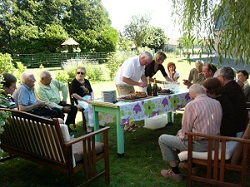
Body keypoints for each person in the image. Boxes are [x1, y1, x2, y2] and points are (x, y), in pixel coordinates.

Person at [158, 84, 222, 181]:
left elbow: (185, 133)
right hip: (215, 142)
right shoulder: (217, 103)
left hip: (200, 145)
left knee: (163, 139)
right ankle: (192, 166)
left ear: (192, 95)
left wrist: (180, 134)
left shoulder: (192, 105)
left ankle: (175, 173)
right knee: (181, 134)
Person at [115, 51, 153, 132]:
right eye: (146, 62)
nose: (147, 64)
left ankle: (131, 123)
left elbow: (142, 74)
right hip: (122, 84)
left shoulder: (142, 64)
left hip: (130, 84)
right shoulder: (131, 63)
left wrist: (145, 82)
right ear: (142, 58)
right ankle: (126, 126)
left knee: (133, 104)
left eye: (148, 63)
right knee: (126, 105)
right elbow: (124, 79)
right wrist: (138, 84)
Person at [217, 67, 247, 133]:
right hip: (241, 126)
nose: (217, 79)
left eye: (218, 77)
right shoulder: (236, 86)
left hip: (233, 129)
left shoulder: (226, 90)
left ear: (222, 78)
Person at [70, 67, 94, 133]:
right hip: (79, 101)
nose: (80, 74)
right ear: (76, 73)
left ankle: (99, 122)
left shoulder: (86, 81)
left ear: (84, 74)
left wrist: (92, 98)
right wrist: (84, 100)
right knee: (88, 107)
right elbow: (74, 94)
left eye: (82, 73)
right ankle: (89, 125)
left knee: (98, 105)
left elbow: (91, 91)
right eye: (78, 73)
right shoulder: (74, 82)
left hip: (88, 98)